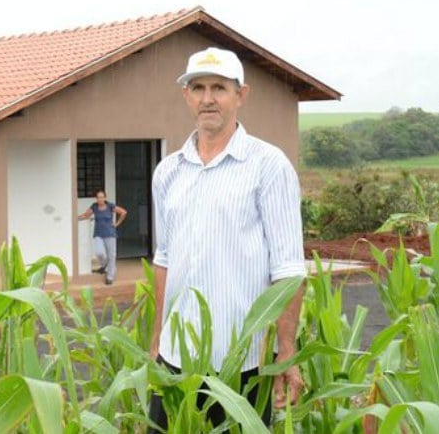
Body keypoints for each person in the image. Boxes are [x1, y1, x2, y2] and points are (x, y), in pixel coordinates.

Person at [148, 47, 306, 430]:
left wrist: (286, 351)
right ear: (186, 95)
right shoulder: (169, 171)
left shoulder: (268, 166)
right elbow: (164, 260)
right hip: (175, 359)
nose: (207, 98)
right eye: (197, 87)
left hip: (244, 363)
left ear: (241, 95)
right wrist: (156, 341)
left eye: (219, 87)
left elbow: (288, 270)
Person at [77, 190, 127, 284]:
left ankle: (110, 277)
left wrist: (117, 224)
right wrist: (75, 217)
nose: (100, 199)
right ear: (96, 198)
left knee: (111, 256)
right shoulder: (94, 206)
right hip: (98, 234)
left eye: (101, 197)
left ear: (105, 198)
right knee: (100, 253)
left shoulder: (110, 206)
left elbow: (123, 212)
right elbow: (86, 215)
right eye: (98, 197)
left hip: (110, 234)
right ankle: (104, 265)